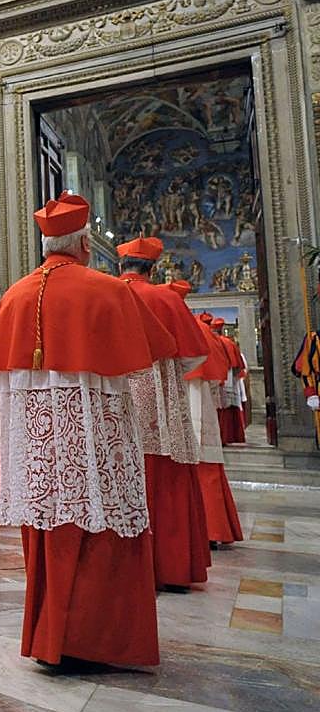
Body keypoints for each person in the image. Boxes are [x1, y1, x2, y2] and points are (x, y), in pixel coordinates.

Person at [0, 192, 176, 669]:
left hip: (38, 445)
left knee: (49, 529)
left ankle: (49, 637)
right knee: (103, 524)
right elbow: (151, 355)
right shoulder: (108, 290)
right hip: (97, 439)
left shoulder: (14, 296)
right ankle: (95, 642)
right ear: (86, 243)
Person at [116, 240, 212, 592]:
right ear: (152, 269)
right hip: (160, 397)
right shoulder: (168, 298)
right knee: (166, 476)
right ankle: (170, 568)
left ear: (120, 265)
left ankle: (125, 570)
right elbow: (195, 356)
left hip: (116, 398)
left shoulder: (107, 293)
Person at [183, 308, 244, 547]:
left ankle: (208, 528)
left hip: (189, 392)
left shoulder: (194, 329)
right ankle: (213, 527)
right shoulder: (207, 333)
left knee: (198, 458)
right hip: (199, 391)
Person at [211, 318, 247, 444]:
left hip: (217, 378)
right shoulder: (229, 343)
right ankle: (231, 436)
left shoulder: (213, 341)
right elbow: (238, 365)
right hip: (229, 378)